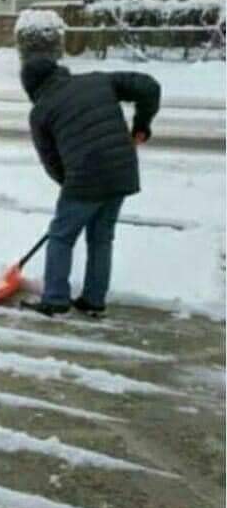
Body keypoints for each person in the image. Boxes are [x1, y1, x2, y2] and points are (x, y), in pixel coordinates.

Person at [19, 56, 161, 318]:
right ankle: (94, 301)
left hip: (85, 177)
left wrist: (74, 186)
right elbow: (149, 86)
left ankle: (55, 300)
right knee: (101, 237)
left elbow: (51, 161)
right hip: (121, 170)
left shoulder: (40, 112)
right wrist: (141, 126)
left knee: (61, 236)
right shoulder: (97, 80)